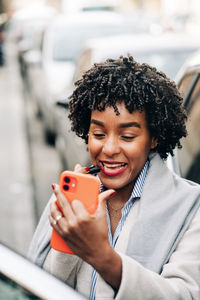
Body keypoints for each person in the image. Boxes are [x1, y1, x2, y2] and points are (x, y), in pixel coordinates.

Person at [28, 56, 200, 299]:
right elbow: (37, 285)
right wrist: (68, 241)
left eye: (127, 136)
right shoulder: (73, 195)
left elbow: (183, 295)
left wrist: (102, 256)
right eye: (98, 133)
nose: (108, 149)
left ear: (154, 138)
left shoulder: (192, 209)